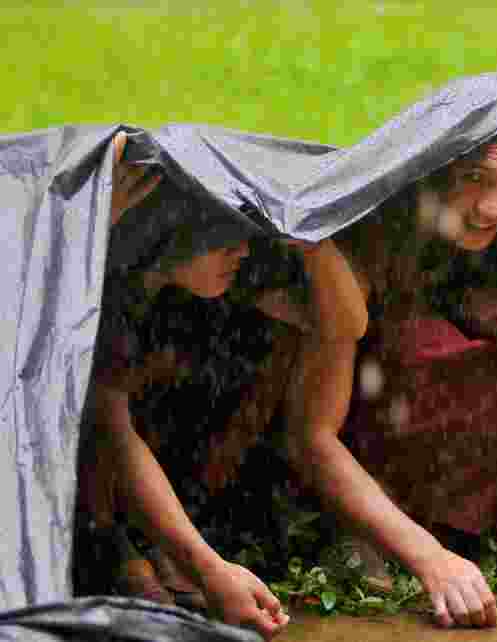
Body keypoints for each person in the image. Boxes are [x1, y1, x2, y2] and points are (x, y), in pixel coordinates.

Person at [286, 93, 497, 629]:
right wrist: (428, 558)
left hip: (476, 513)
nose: (492, 207)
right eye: (473, 178)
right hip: (366, 513)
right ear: (432, 169)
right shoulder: (373, 238)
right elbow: (313, 434)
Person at [80, 132, 367, 640]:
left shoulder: (231, 271)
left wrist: (306, 234)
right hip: (92, 489)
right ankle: (122, 551)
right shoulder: (117, 288)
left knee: (258, 355)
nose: (240, 249)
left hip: (184, 467)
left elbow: (344, 326)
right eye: (221, 236)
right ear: (171, 228)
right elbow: (112, 435)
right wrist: (207, 569)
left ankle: (160, 551)